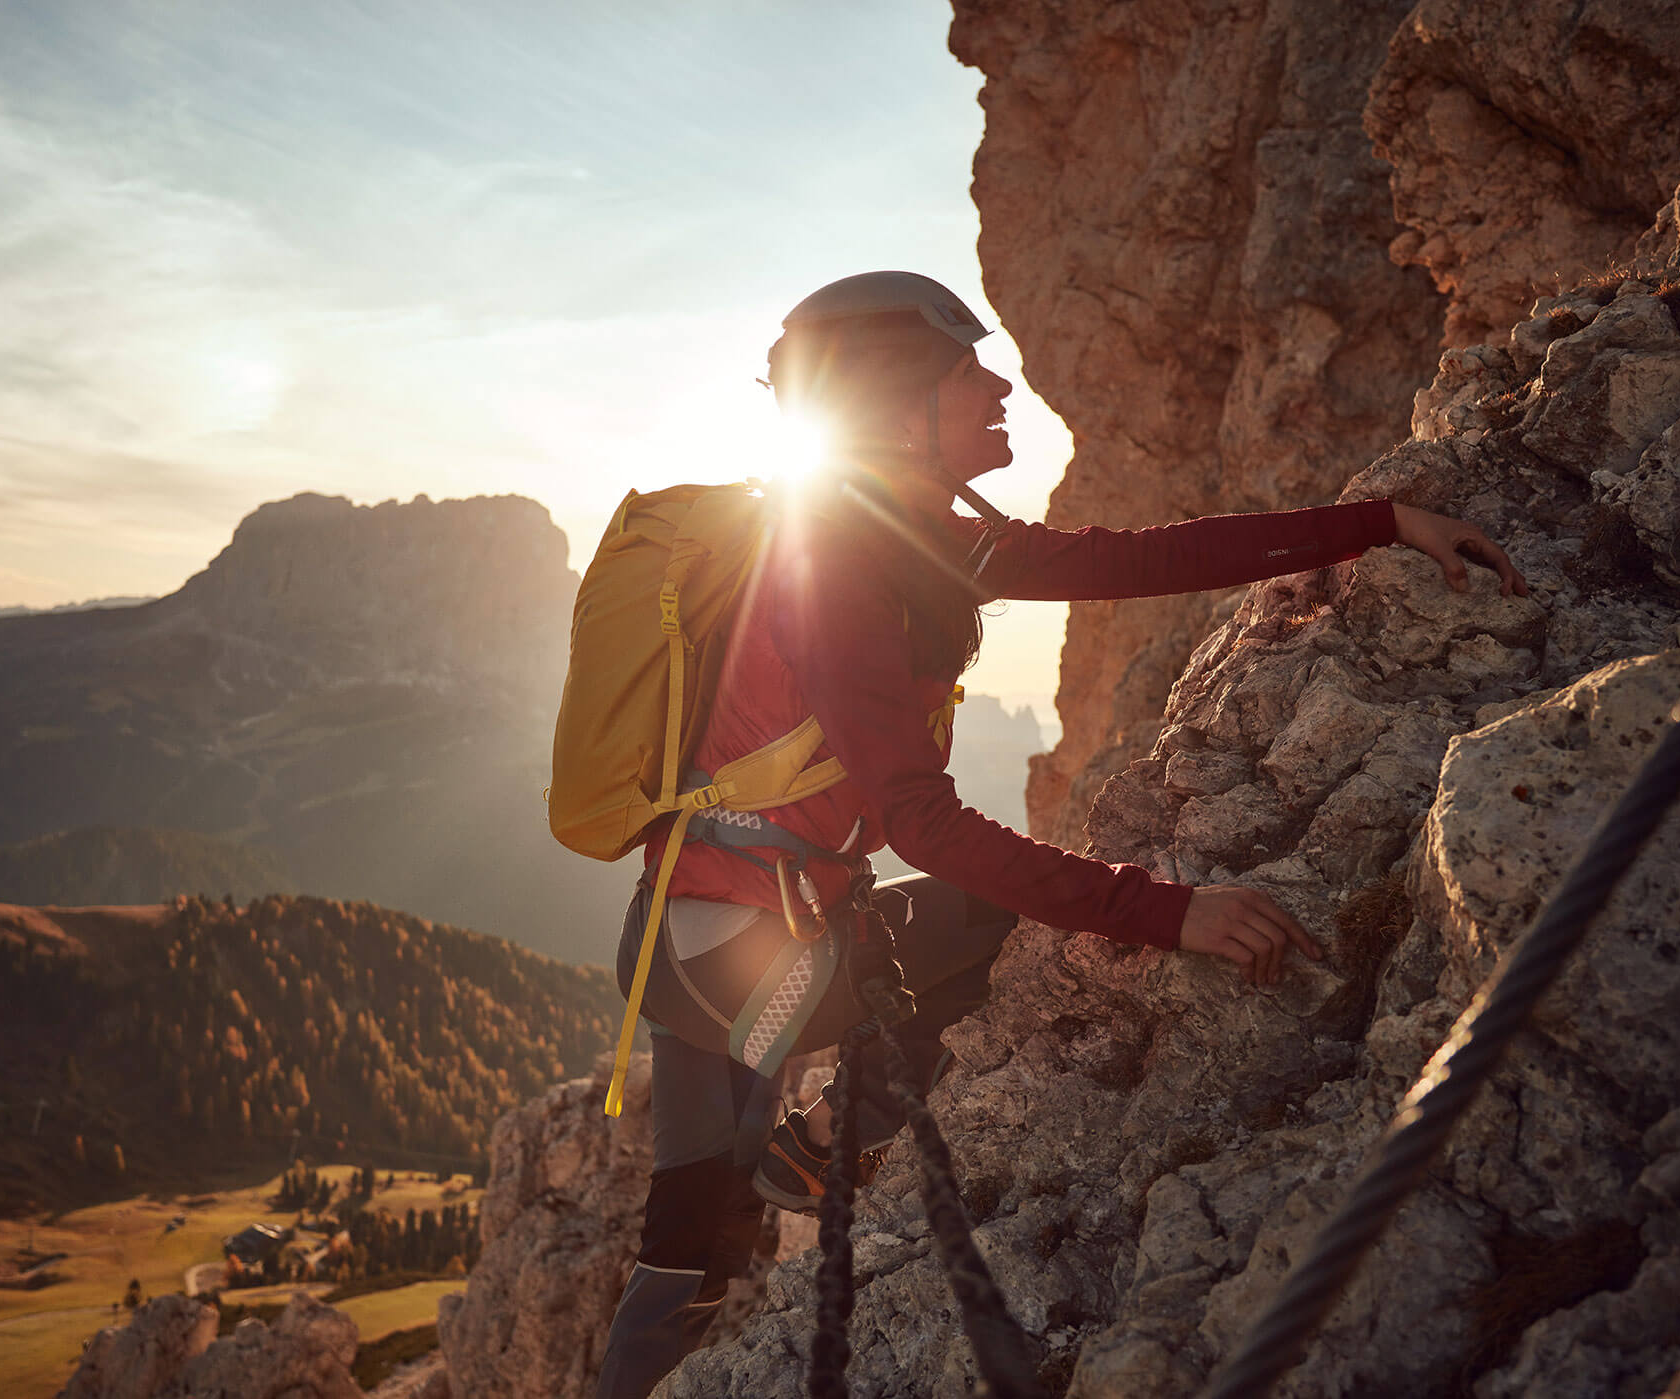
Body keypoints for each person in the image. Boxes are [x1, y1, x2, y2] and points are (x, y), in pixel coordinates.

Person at [590, 271, 1526, 1398]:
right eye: (963, 373)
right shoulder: (835, 566)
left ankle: (777, 1183)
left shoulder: (916, 538)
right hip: (740, 963)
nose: (998, 388)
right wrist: (1169, 912)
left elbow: (1139, 559)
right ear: (893, 408)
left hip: (707, 936)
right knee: (990, 923)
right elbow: (922, 825)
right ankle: (817, 1144)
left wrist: (1376, 524)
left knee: (690, 1238)